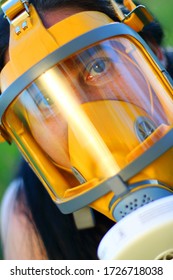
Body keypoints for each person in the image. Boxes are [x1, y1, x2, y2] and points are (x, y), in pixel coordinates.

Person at [0, 0, 173, 260]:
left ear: (153, 52)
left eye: (98, 67)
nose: (85, 119)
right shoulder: (29, 216)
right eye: (46, 101)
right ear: (26, 137)